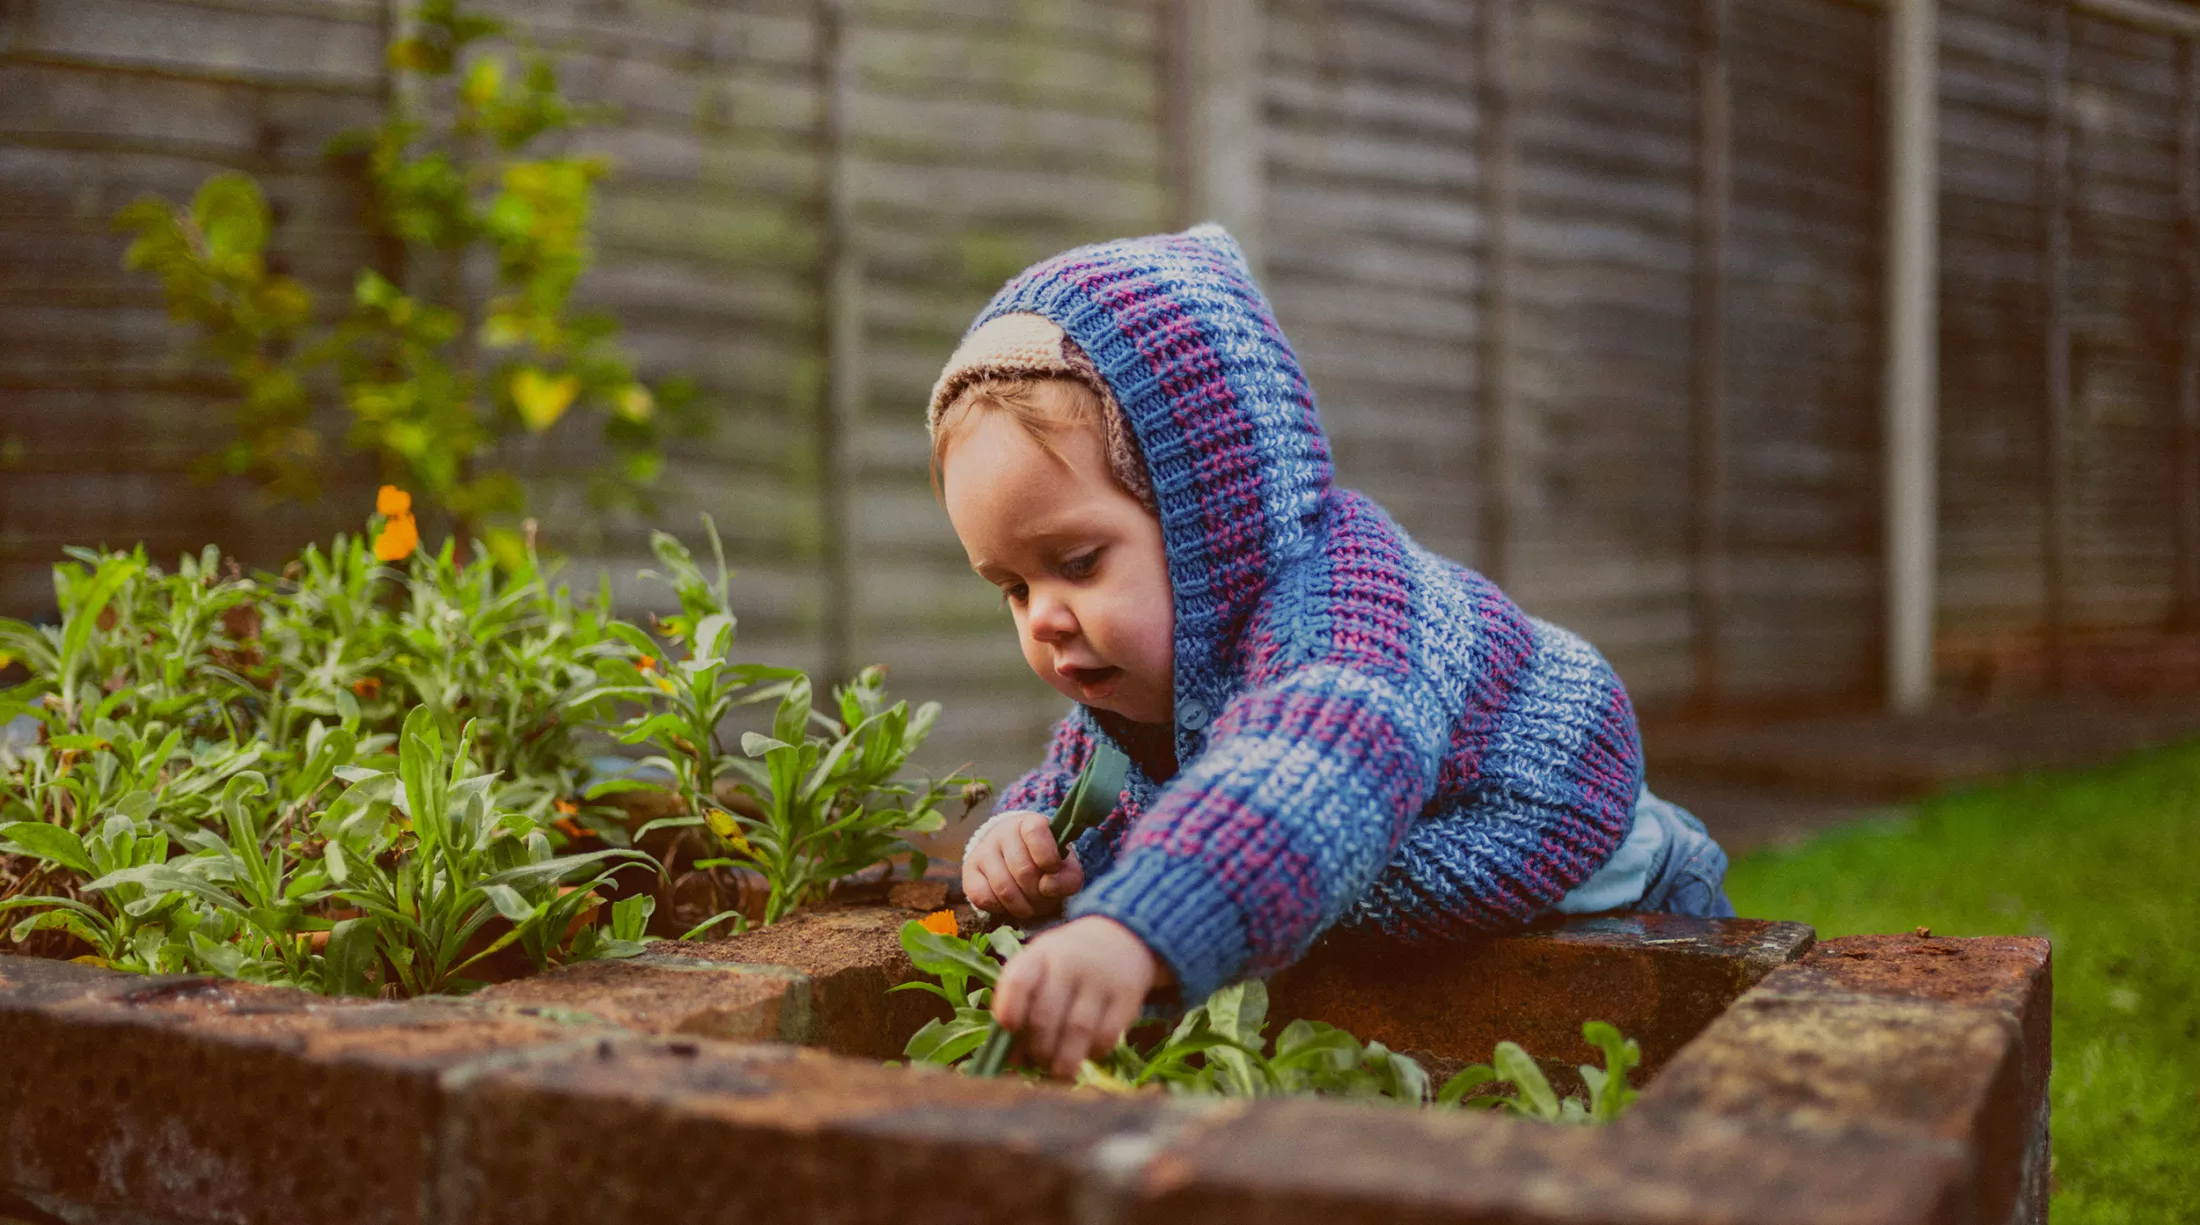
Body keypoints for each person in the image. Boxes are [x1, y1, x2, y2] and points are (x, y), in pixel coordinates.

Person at [931, 225, 1732, 1079]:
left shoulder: (1347, 614)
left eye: (1078, 563)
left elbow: (1307, 768)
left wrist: (1135, 930)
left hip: (1608, 882)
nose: (1044, 617)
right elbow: (1096, 786)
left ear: (1212, 517)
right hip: (1405, 899)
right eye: (1013, 587)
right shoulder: (1130, 689)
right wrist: (1019, 840)